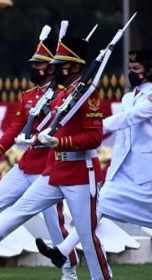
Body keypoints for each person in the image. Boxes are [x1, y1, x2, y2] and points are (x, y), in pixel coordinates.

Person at [0, 35, 112, 280]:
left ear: (75, 67)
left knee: (87, 238)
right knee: (21, 209)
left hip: (80, 174)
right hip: (56, 170)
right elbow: (36, 127)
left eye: (60, 64)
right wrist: (37, 140)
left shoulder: (88, 95)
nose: (54, 69)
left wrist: (58, 141)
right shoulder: (61, 95)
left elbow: (94, 138)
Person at [36, 49, 152, 265]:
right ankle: (63, 250)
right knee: (100, 206)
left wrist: (96, 127)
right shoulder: (129, 96)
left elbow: (130, 118)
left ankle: (63, 250)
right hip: (125, 168)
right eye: (130, 69)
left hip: (147, 169)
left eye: (137, 69)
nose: (132, 73)